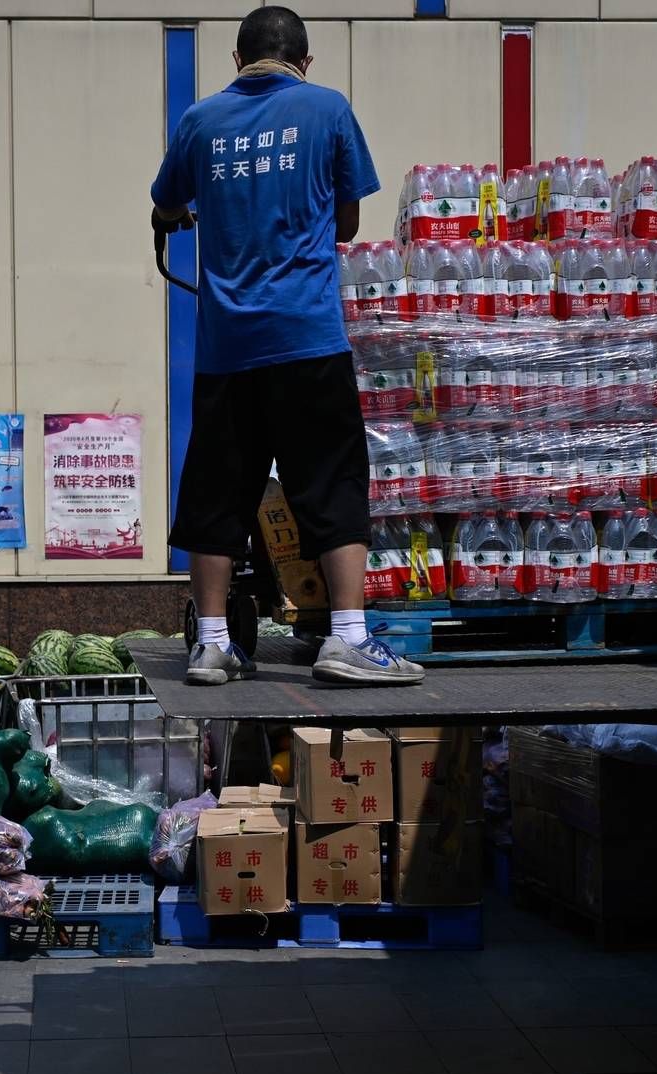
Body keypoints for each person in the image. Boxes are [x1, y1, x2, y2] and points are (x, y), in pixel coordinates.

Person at [149, 5, 424, 687]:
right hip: (307, 339)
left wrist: (180, 214)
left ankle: (210, 644)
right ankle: (349, 639)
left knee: (218, 495)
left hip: (227, 350)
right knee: (331, 485)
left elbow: (163, 203)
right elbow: (349, 218)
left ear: (237, 63)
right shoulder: (327, 109)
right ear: (304, 61)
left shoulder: (201, 121)